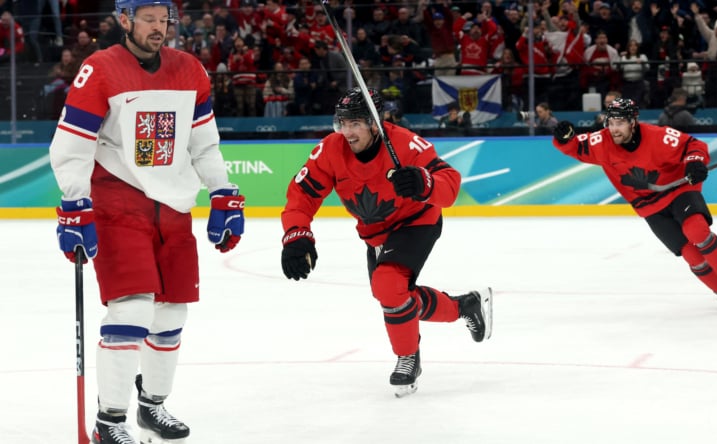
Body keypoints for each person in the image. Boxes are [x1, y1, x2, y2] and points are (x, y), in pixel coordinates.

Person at [48, 1, 246, 443]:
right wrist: (75, 203)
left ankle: (152, 405)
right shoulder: (100, 69)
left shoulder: (190, 69)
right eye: (149, 20)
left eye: (165, 21)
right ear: (125, 20)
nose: (160, 29)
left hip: (174, 205)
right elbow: (72, 144)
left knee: (171, 312)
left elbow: (204, 143)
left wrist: (222, 191)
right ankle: (109, 421)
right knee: (131, 309)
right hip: (117, 202)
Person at [279, 87, 492, 397]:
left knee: (388, 284)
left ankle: (408, 358)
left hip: (417, 221)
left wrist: (424, 182)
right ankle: (465, 307)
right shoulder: (330, 150)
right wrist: (297, 234)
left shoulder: (404, 144)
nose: (347, 132)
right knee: (394, 295)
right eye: (343, 123)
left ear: (374, 124)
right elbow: (302, 195)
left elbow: (450, 183)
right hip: (376, 233)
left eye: (355, 124)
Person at [552, 98, 717, 309]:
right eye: (611, 123)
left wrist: (695, 162)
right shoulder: (601, 142)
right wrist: (564, 137)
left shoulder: (658, 136)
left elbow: (693, 145)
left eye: (620, 123)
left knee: (697, 231)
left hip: (677, 189)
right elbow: (574, 146)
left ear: (633, 122)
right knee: (690, 254)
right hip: (648, 205)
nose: (614, 129)